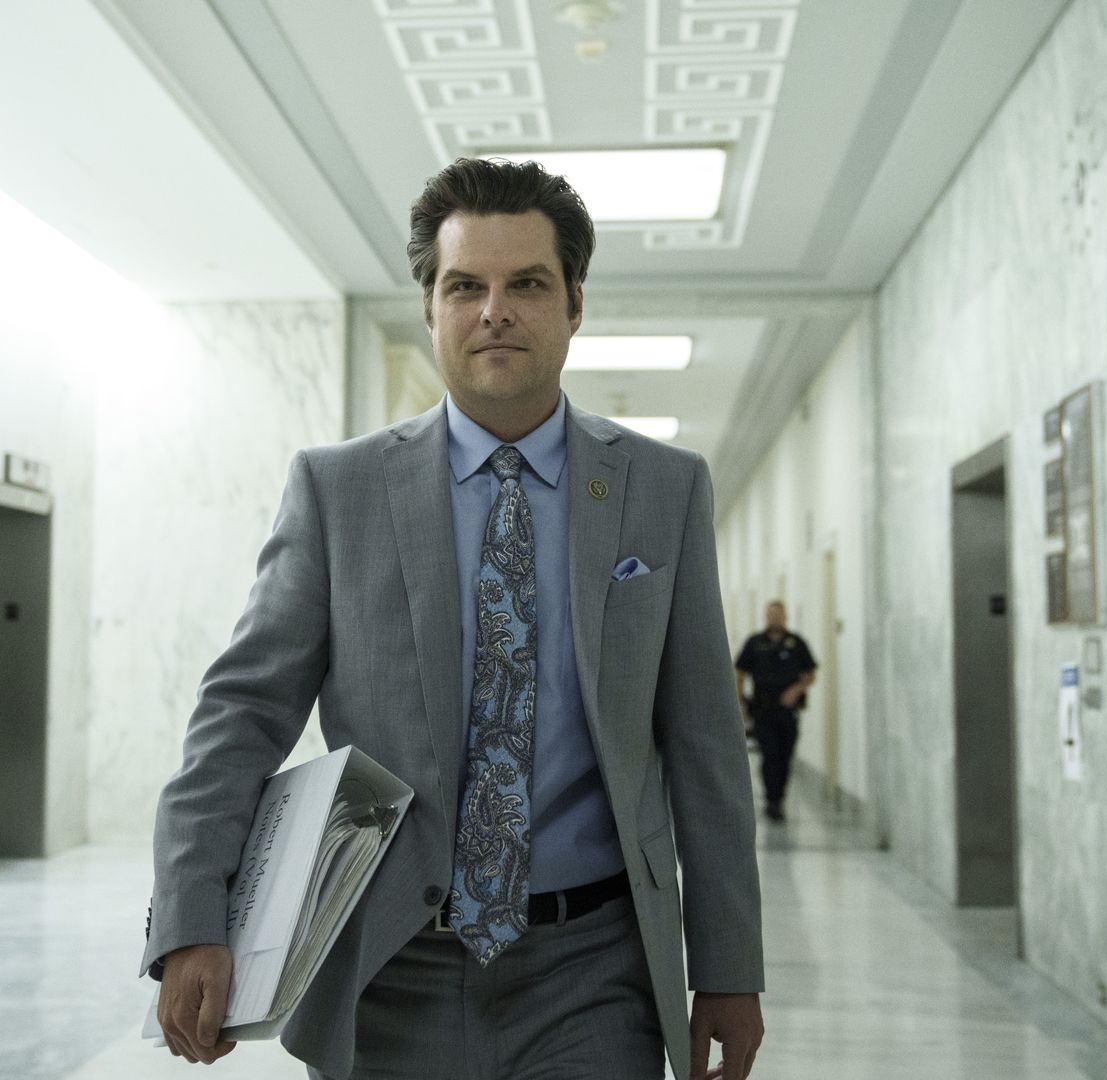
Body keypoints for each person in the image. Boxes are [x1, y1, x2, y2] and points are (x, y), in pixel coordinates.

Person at [143, 157, 765, 1080]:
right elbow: (240, 715)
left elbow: (706, 744)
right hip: (389, 968)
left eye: (528, 284)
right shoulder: (338, 490)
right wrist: (192, 913)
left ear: (575, 304)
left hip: (593, 970)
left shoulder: (661, 490)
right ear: (430, 307)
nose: (495, 310)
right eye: (466, 284)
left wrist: (727, 968)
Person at [734, 601, 818, 822]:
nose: (774, 618)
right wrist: (741, 702)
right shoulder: (755, 643)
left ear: (785, 616)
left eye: (778, 614)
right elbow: (740, 672)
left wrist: (795, 689)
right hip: (763, 710)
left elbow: (810, 674)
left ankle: (779, 797)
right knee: (769, 755)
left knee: (785, 756)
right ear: (765, 616)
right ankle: (772, 801)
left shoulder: (796, 643)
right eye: (770, 614)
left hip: (788, 712)